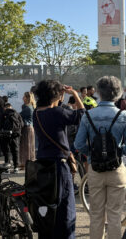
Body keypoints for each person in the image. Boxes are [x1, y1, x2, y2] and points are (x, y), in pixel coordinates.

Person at [74, 76, 126, 239]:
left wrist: (92, 154)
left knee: (96, 214)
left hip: (95, 168)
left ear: (99, 92)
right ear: (117, 93)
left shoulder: (88, 115)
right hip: (116, 168)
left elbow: (78, 144)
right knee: (115, 215)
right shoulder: (124, 115)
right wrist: (117, 152)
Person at [33, 80, 84, 239]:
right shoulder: (57, 113)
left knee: (47, 206)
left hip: (42, 165)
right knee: (65, 209)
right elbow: (82, 115)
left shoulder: (36, 113)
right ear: (55, 95)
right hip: (59, 167)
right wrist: (75, 94)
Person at [2, 103, 24, 173]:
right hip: (15, 135)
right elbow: (22, 124)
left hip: (6, 135)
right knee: (15, 151)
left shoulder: (4, 114)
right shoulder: (17, 113)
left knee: (7, 151)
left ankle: (7, 168)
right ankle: (16, 167)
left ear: (5, 108)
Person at [19, 92, 36, 170]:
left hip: (27, 128)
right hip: (29, 128)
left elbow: (19, 116)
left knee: (26, 147)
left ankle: (26, 163)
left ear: (27, 98)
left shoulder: (27, 108)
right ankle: (26, 163)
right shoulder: (29, 106)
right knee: (28, 146)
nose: (23, 98)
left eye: (24, 96)